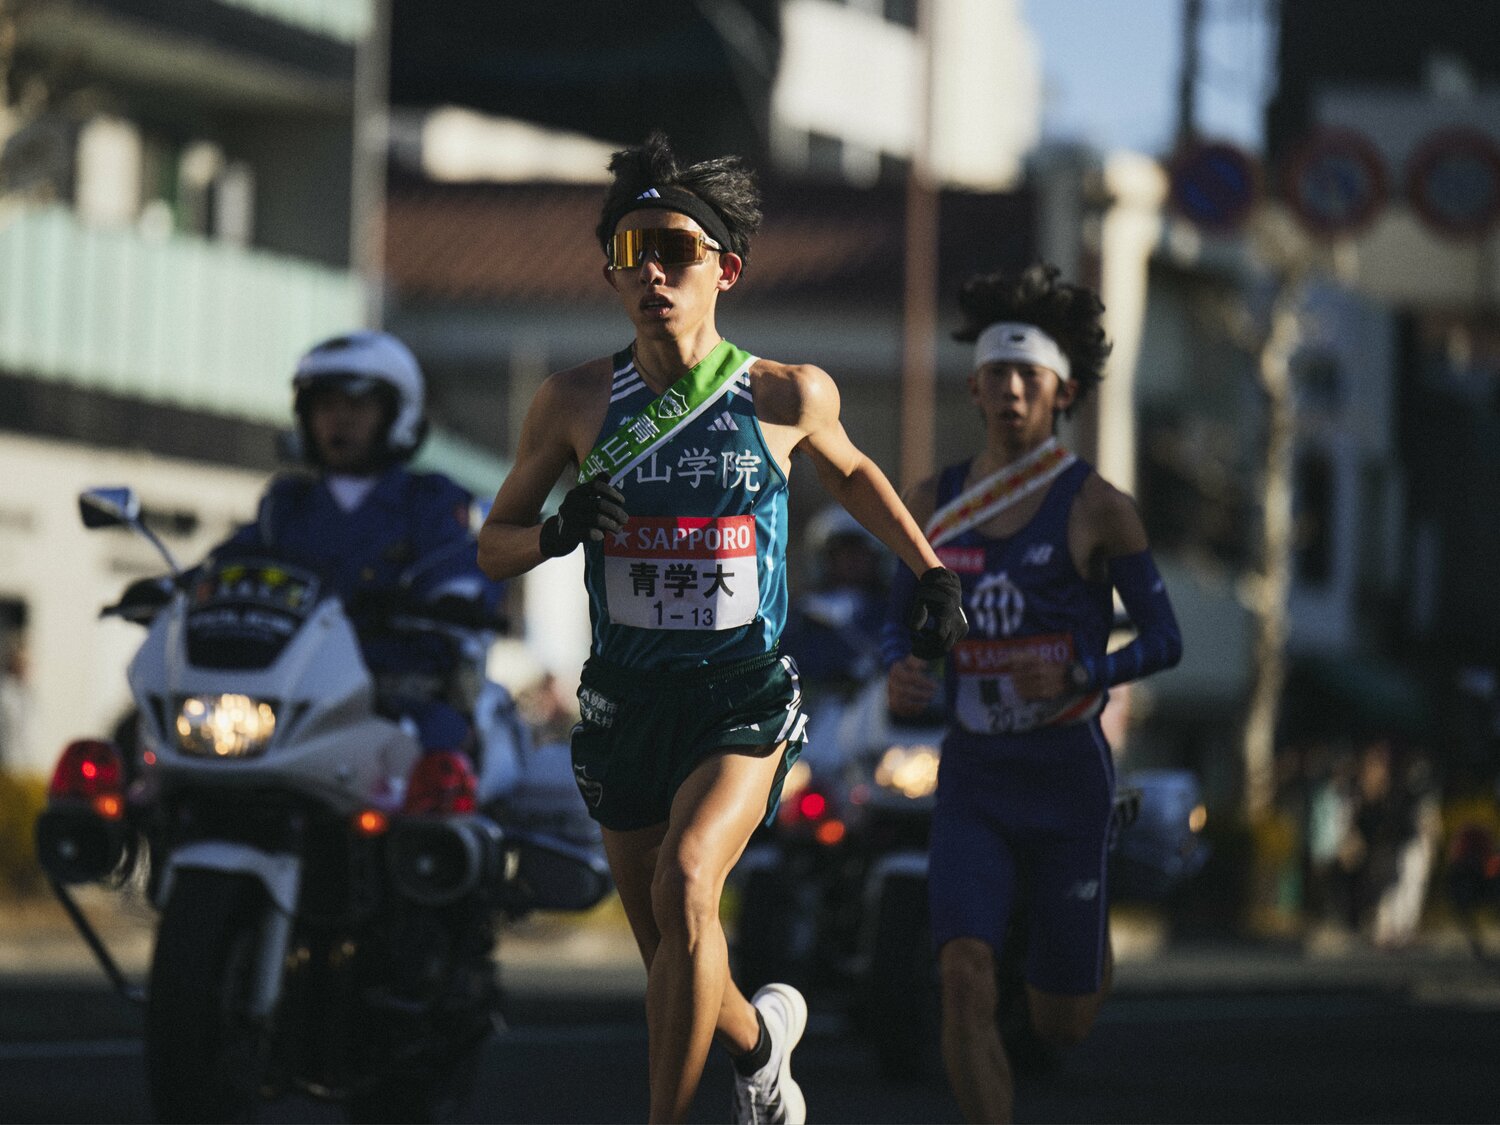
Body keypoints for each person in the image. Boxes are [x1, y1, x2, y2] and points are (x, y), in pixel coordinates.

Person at [477, 133, 966, 1125]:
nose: (650, 269)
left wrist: (930, 570)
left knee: (689, 881)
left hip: (741, 696)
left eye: (675, 248)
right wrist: (558, 531)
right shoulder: (572, 402)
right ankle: (763, 1045)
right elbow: (492, 546)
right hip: (625, 702)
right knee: (674, 955)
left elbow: (856, 472)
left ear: (725, 269)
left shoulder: (786, 393)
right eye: (629, 250)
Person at [884, 264, 1183, 1123]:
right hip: (974, 780)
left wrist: (1084, 674)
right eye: (998, 375)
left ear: (1065, 392)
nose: (1012, 390)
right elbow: (894, 621)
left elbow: (1167, 641)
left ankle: (1086, 941)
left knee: (1062, 1024)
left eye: (1031, 377)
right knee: (961, 980)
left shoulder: (1099, 506)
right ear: (974, 387)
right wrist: (901, 665)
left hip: (1067, 781)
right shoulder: (930, 503)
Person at [216, 329, 505, 754]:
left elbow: (465, 568)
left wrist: (456, 597)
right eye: (326, 405)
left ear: (397, 414)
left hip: (393, 695)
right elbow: (231, 562)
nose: (340, 419)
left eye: (357, 404)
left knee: (437, 757)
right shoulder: (285, 505)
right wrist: (175, 586)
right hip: (287, 696)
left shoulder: (431, 501)